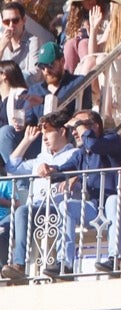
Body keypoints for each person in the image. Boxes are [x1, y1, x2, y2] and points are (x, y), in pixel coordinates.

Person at [0, 111, 80, 283]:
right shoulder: (40, 157)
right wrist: (27, 140)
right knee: (2, 229)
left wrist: (73, 177)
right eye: (42, 133)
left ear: (62, 131)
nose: (44, 137)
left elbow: (81, 173)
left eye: (48, 132)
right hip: (33, 208)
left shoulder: (74, 154)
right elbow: (12, 167)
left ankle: (19, 265)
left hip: (54, 206)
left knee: (22, 212)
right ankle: (9, 274)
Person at [56, 110, 121, 276]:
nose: (75, 131)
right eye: (73, 127)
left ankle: (114, 260)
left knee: (113, 200)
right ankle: (65, 263)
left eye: (79, 125)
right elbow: (60, 172)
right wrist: (48, 169)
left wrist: (80, 127)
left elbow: (95, 145)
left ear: (96, 127)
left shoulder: (112, 139)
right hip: (97, 209)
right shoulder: (81, 154)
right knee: (66, 205)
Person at [25, 42, 90, 126]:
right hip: (40, 136)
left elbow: (86, 113)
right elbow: (28, 119)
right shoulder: (34, 90)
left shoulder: (78, 82)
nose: (46, 71)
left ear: (62, 61)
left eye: (50, 65)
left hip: (68, 134)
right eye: (42, 66)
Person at [62, 0, 107, 74]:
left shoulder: (105, 14)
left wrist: (92, 31)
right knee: (71, 43)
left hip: (98, 51)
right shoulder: (73, 17)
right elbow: (68, 38)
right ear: (80, 1)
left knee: (84, 43)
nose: (90, 0)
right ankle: (67, 80)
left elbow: (104, 39)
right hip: (76, 55)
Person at [0, 1, 41, 85]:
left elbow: (35, 73)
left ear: (24, 20)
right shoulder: (1, 41)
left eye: (15, 20)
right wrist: (2, 47)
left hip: (24, 91)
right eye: (6, 22)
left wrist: (8, 79)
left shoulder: (32, 41)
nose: (11, 25)